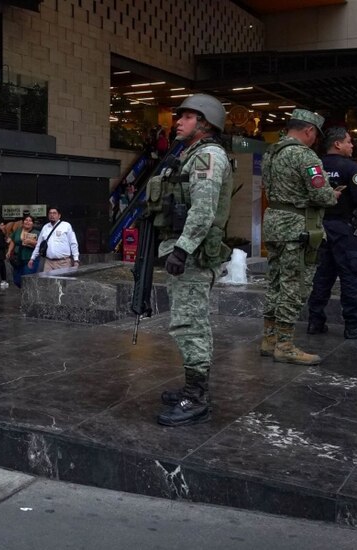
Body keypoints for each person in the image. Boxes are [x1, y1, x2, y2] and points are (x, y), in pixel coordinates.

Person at [148, 94, 233, 427]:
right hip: (189, 250)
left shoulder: (207, 155)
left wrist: (182, 250)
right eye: (179, 117)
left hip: (193, 255)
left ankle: (196, 397)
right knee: (190, 321)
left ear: (205, 123)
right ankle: (193, 386)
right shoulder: (191, 154)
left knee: (190, 323)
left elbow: (203, 209)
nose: (178, 122)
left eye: (186, 117)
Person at [261, 109, 340, 366]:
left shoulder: (271, 153)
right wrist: (332, 195)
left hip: (273, 224)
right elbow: (322, 195)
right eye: (315, 135)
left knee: (274, 283)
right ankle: (285, 345)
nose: (315, 140)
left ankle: (269, 339)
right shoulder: (305, 155)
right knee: (294, 286)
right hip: (297, 229)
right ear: (309, 130)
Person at [306, 127, 357, 340]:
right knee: (352, 276)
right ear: (338, 144)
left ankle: (315, 322)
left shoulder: (316, 167)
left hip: (320, 229)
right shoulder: (351, 167)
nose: (352, 145)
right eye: (349, 141)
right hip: (346, 231)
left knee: (322, 277)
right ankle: (354, 326)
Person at [28, 207, 79, 273]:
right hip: (49, 263)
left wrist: (76, 260)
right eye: (50, 213)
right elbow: (39, 244)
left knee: (62, 282)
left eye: (54, 213)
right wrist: (32, 258)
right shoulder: (45, 227)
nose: (52, 215)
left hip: (63, 262)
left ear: (59, 215)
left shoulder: (66, 226)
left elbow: (73, 243)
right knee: (47, 282)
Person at [10, 214, 40, 287]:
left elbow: (41, 245)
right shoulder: (18, 231)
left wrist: (31, 242)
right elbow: (13, 240)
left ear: (32, 223)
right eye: (26, 220)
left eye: (30, 221)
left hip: (31, 259)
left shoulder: (37, 232)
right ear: (23, 222)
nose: (28, 222)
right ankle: (24, 291)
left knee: (27, 279)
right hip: (18, 259)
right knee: (17, 280)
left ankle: (28, 295)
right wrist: (9, 251)